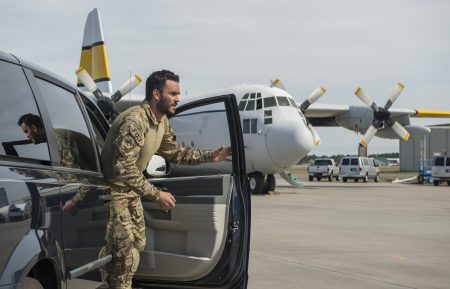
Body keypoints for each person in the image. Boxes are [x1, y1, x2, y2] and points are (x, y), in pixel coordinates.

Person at [98, 70, 230, 289]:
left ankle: (107, 272)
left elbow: (174, 152)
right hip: (114, 192)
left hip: (131, 191)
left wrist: (211, 156)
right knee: (126, 256)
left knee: (137, 245)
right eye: (173, 93)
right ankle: (113, 281)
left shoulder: (161, 122)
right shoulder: (135, 121)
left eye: (178, 93)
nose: (178, 98)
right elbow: (122, 168)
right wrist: (156, 194)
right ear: (156, 94)